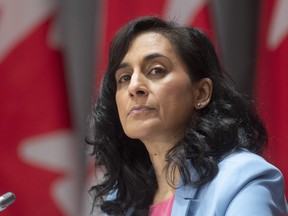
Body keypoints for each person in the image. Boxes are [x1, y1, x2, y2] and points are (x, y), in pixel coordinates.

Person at [86, 16, 288, 216]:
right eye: (125, 77)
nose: (134, 86)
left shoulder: (244, 179)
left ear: (201, 93)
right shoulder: (121, 200)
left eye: (156, 70)